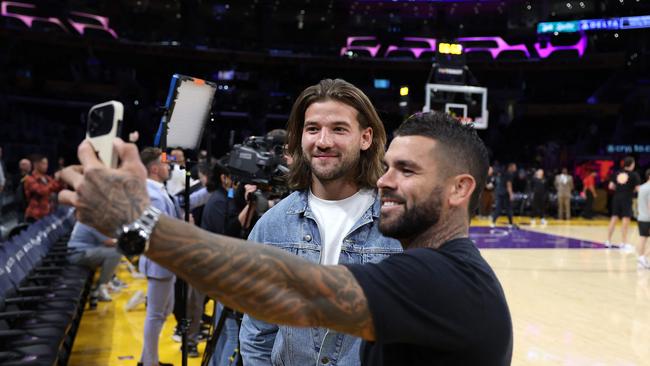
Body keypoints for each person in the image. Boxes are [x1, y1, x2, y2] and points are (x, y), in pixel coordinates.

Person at [58, 110, 513, 366]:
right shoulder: (433, 272)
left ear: (460, 189)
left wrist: (138, 225)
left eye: (407, 171)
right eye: (388, 165)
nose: (387, 181)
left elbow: (291, 291)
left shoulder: (448, 281)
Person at [239, 79, 402, 366]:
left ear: (366, 138)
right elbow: (257, 333)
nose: (323, 141)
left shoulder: (401, 226)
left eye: (339, 129)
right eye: (312, 129)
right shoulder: (271, 227)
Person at [138, 147, 179, 366]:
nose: (168, 167)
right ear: (154, 168)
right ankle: (149, 363)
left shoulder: (157, 189)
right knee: (155, 315)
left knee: (163, 312)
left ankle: (147, 358)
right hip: (160, 261)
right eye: (164, 164)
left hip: (165, 262)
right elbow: (157, 231)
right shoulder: (152, 193)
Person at [68, 222, 122, 301]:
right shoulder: (90, 222)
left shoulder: (89, 220)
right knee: (115, 253)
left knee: (111, 251)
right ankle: (101, 288)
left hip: (83, 251)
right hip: (78, 254)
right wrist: (125, 242)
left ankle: (110, 280)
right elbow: (109, 242)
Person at [606, 157, 641, 249]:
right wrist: (631, 190)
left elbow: (610, 186)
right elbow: (638, 189)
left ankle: (608, 240)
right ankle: (624, 242)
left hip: (616, 198)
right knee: (625, 220)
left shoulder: (617, 173)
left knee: (614, 218)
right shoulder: (634, 175)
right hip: (627, 198)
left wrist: (619, 189)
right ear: (631, 164)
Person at [24, 154, 63, 222]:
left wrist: (61, 180)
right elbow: (42, 191)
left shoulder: (47, 178)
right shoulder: (29, 179)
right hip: (35, 215)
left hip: (48, 213)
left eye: (47, 164)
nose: (46, 166)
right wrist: (55, 180)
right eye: (43, 163)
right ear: (36, 164)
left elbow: (58, 188)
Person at [491, 163, 516, 228]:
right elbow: (509, 185)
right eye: (514, 167)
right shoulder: (509, 174)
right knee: (508, 208)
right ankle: (510, 223)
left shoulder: (503, 173)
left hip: (499, 192)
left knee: (498, 208)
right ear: (510, 167)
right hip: (505, 193)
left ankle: (493, 222)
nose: (515, 169)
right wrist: (511, 194)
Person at [636, 169, 650, 269]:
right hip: (648, 218)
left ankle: (641, 259)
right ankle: (644, 257)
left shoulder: (641, 187)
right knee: (644, 238)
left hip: (641, 217)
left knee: (642, 238)